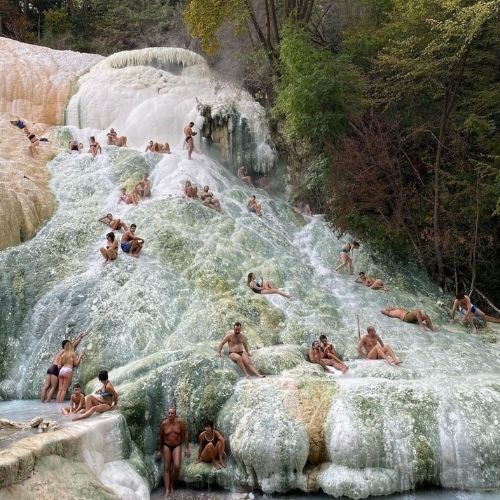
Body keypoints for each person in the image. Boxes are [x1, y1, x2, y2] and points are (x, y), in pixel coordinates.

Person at [40, 331, 88, 403]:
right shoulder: (66, 351)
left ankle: (41, 402)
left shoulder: (61, 351)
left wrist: (79, 336)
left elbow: (72, 343)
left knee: (46, 387)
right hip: (57, 368)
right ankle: (47, 402)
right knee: (53, 388)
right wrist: (80, 337)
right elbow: (73, 344)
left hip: (51, 367)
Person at [154, 408, 190, 497]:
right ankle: (167, 490)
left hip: (177, 445)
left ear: (175, 414)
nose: (170, 415)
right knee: (166, 467)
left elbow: (185, 433)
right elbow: (160, 437)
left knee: (177, 466)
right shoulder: (164, 424)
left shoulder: (180, 422)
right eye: (169, 413)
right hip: (166, 446)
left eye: (172, 413)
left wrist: (186, 448)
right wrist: (158, 450)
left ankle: (171, 483)